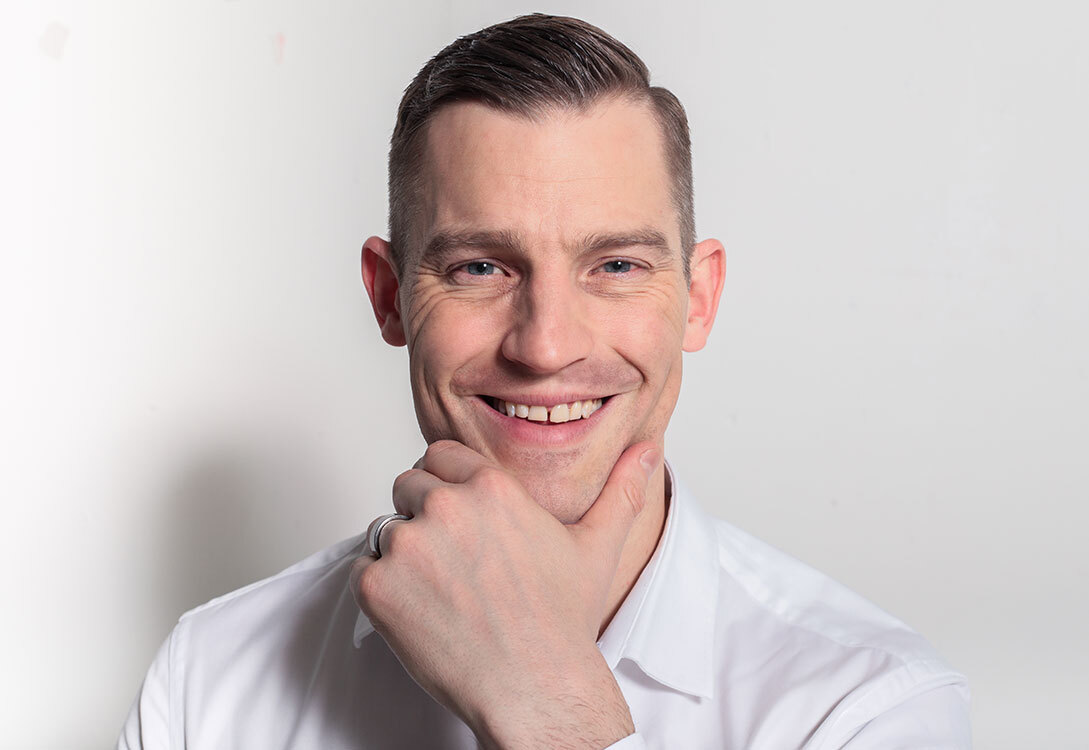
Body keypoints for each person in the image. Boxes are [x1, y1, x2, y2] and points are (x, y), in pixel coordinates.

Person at [118, 13, 971, 749]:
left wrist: (548, 702)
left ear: (698, 299)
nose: (546, 346)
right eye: (480, 267)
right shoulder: (210, 676)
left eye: (616, 265)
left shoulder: (864, 708)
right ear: (388, 298)